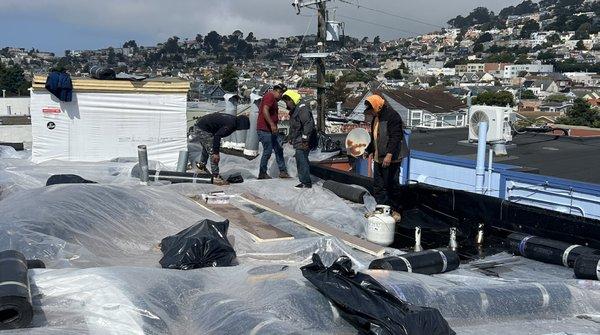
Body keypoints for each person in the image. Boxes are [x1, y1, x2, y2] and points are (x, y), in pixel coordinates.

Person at [363, 94, 409, 216]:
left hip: (391, 158)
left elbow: (396, 137)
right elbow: (375, 139)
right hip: (379, 158)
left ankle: (395, 210)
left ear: (377, 106)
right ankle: (381, 209)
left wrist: (389, 155)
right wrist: (368, 150)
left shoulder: (392, 116)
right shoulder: (376, 118)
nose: (370, 113)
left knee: (391, 185)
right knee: (378, 186)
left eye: (371, 109)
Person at [189, 112, 250, 185]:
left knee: (207, 147)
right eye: (242, 128)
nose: (241, 130)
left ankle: (201, 165)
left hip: (202, 126)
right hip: (202, 129)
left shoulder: (233, 120)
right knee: (212, 152)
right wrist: (216, 153)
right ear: (241, 126)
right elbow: (217, 136)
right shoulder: (231, 125)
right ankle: (215, 176)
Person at [282, 90, 317, 189]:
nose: (286, 104)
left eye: (287, 101)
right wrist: (290, 138)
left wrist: (305, 139)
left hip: (303, 140)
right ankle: (304, 181)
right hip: (299, 139)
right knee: (301, 159)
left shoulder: (302, 109)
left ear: (291, 100)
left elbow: (307, 124)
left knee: (301, 160)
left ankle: (306, 182)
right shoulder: (296, 109)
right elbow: (295, 126)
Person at [256, 84, 290, 179]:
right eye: (280, 93)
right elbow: (265, 110)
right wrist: (271, 124)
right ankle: (262, 173)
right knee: (267, 150)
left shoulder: (274, 100)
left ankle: (283, 171)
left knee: (278, 149)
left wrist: (274, 125)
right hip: (264, 129)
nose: (281, 95)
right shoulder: (269, 96)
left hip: (271, 130)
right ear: (276, 91)